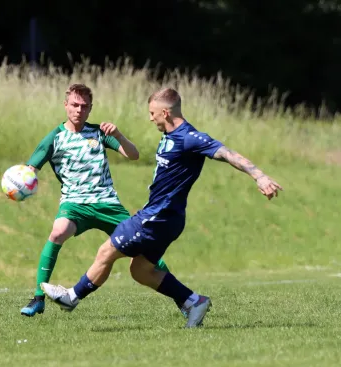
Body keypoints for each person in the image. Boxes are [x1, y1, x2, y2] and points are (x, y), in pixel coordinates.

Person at [41, 87, 283, 328]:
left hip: (159, 216)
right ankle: (193, 301)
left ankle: (71, 297)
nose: (150, 118)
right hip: (165, 218)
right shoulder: (169, 135)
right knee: (141, 270)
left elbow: (228, 154)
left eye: (153, 113)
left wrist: (259, 176)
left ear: (165, 113)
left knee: (107, 251)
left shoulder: (190, 138)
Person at [20, 83, 177, 318]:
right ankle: (38, 298)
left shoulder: (99, 133)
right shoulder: (55, 138)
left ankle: (182, 299)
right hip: (75, 204)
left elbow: (133, 155)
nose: (79, 110)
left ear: (90, 108)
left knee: (145, 249)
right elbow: (30, 169)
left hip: (108, 204)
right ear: (66, 105)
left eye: (84, 106)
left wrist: (118, 134)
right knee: (57, 231)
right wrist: (19, 182)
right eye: (74, 105)